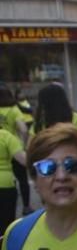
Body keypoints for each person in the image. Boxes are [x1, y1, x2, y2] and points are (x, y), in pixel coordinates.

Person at [0, 85, 30, 214]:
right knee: (22, 179)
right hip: (14, 148)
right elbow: (23, 129)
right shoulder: (14, 110)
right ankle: (26, 206)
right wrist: (23, 143)